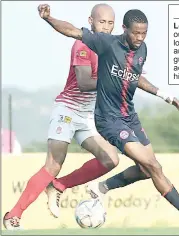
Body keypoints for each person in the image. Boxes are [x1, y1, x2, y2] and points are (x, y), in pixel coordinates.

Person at [35, 4, 179, 228]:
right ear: (124, 29)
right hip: (108, 120)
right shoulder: (107, 43)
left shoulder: (142, 49)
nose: (139, 37)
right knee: (154, 167)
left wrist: (163, 94)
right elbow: (73, 31)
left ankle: (101, 188)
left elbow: (134, 77)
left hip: (129, 115)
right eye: (135, 33)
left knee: (147, 170)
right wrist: (48, 18)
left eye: (144, 33)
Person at [3, 3, 121, 230]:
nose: (105, 27)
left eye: (110, 23)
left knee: (111, 159)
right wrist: (115, 81)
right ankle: (13, 215)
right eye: (101, 22)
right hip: (67, 110)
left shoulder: (114, 49)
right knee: (53, 164)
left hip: (88, 116)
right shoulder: (82, 44)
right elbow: (86, 83)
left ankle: (58, 186)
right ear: (90, 22)